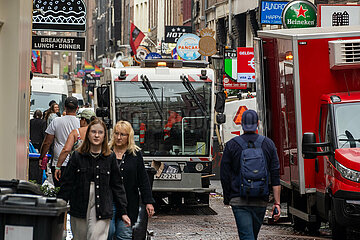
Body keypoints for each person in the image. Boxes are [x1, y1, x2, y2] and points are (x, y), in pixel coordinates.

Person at [58, 119, 131, 240]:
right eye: (93, 132)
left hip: (102, 205)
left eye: (100, 132)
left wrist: (123, 211)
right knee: (80, 237)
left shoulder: (110, 157)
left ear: (104, 136)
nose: (96, 135)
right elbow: (67, 183)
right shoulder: (77, 156)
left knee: (96, 237)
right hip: (79, 205)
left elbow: (117, 185)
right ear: (88, 134)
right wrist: (59, 206)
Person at [220, 109, 281, 240]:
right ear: (257, 123)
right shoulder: (268, 144)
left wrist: (227, 197)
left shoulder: (231, 145)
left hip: (239, 200)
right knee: (252, 235)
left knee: (247, 236)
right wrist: (277, 203)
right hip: (261, 199)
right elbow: (275, 174)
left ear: (241, 124)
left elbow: (224, 174)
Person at [107, 120, 155, 240]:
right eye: (116, 133)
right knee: (108, 232)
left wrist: (148, 201)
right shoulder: (107, 153)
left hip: (129, 202)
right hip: (108, 201)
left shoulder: (135, 154)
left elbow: (143, 179)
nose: (119, 137)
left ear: (129, 136)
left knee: (124, 235)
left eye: (122, 134)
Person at [38, 96, 80, 187]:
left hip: (58, 163)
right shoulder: (80, 122)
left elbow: (47, 142)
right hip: (76, 162)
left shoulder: (56, 121)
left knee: (59, 192)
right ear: (77, 108)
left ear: (65, 107)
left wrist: (42, 156)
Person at [54, 109, 96, 181]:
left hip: (76, 168)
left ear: (84, 120)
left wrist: (58, 166)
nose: (80, 121)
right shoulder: (98, 134)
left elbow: (66, 150)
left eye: (80, 119)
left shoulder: (76, 133)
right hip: (94, 167)